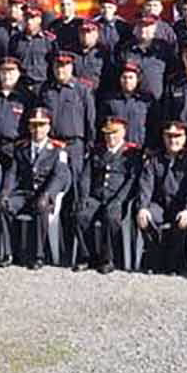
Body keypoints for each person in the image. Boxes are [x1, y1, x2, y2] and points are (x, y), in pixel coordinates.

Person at [0, 110, 73, 268]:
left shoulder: (58, 149)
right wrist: (5, 191)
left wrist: (48, 194)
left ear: (48, 127)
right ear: (29, 127)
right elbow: (12, 173)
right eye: (34, 125)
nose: (38, 129)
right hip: (25, 193)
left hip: (44, 194)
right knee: (4, 204)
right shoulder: (21, 147)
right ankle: (10, 253)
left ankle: (39, 255)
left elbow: (60, 176)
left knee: (41, 205)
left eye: (41, 125)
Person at [136, 121, 187, 273]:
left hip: (181, 206)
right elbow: (146, 185)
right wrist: (143, 207)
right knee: (146, 217)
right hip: (159, 204)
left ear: (185, 138)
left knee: (183, 220)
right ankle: (155, 258)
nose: (173, 140)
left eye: (178, 136)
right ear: (163, 137)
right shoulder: (154, 159)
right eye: (169, 136)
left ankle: (174, 263)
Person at [76, 117, 141, 273]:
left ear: (123, 132)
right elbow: (86, 175)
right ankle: (88, 257)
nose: (111, 137)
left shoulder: (132, 153)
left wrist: (119, 200)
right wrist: (84, 196)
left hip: (118, 198)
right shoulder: (97, 150)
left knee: (111, 217)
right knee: (81, 215)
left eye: (115, 133)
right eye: (107, 133)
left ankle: (108, 259)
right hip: (96, 197)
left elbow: (132, 179)